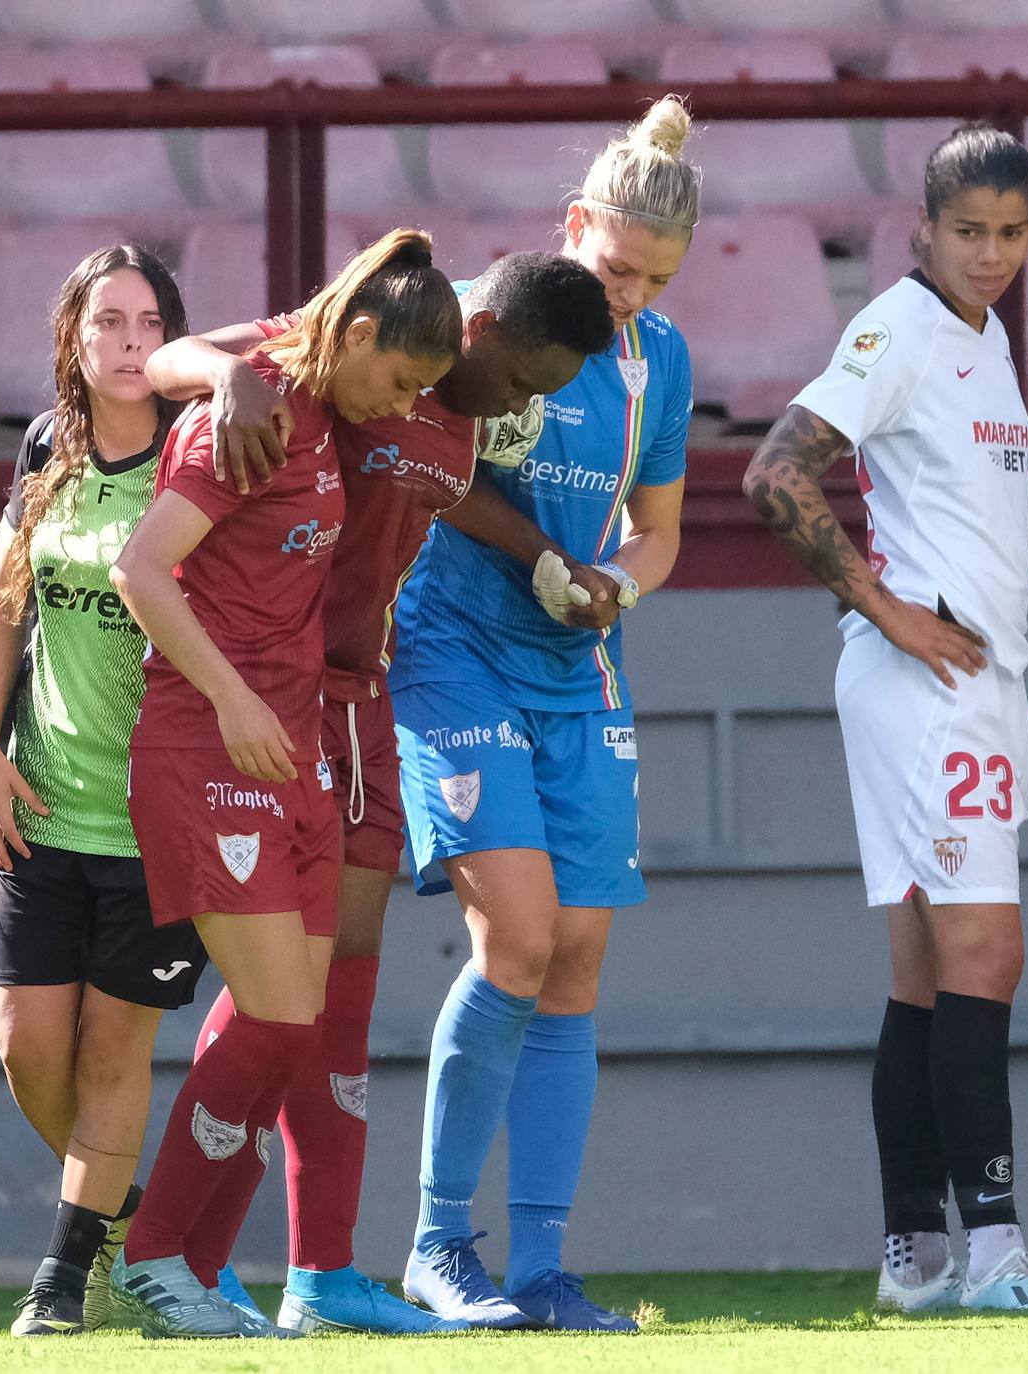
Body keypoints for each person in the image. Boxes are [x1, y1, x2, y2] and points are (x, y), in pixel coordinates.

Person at [142, 249, 615, 1334]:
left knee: (332, 997)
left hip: (361, 705)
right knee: (290, 1001)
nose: (523, 405)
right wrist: (222, 377)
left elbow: (450, 494)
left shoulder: (446, 410)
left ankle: (316, 1273)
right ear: (481, 328)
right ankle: (196, 1260)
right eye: (522, 379)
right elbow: (175, 357)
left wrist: (543, 551)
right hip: (271, 698)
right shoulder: (357, 358)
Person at [741, 123, 1028, 1316]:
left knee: (928, 978)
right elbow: (774, 471)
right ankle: (994, 1249)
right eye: (967, 232)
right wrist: (886, 609)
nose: (990, 254)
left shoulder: (982, 338)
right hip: (926, 681)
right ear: (921, 230)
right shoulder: (895, 328)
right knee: (991, 951)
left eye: (1011, 233)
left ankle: (917, 1257)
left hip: (974, 682)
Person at [377, 97, 699, 1332]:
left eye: (653, 279)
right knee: (514, 938)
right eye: (617, 267)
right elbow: (418, 462)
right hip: (452, 651)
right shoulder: (480, 315)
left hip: (581, 673)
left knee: (573, 961)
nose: (627, 296)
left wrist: (622, 580)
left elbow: (661, 532)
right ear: (574, 227)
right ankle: (436, 1247)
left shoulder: (658, 361)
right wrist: (535, 561)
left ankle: (544, 1270)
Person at [105, 228, 461, 1339]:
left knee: (290, 1024)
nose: (402, 406)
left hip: (294, 744)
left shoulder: (320, 413)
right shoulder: (247, 420)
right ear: (353, 336)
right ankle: (154, 1253)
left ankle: (198, 1272)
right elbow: (140, 570)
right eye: (398, 381)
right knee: (270, 1015)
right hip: (215, 746)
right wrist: (235, 700)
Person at [0, 243, 203, 1336]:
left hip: (156, 827)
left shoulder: (199, 454)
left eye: (151, 323)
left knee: (115, 1053)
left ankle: (60, 1283)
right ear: (73, 335)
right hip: (40, 805)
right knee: (26, 1050)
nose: (131, 343)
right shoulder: (46, 445)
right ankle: (120, 1213)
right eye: (109, 321)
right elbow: (1, 606)